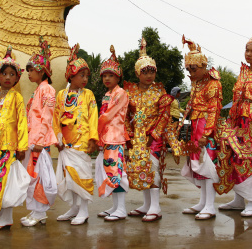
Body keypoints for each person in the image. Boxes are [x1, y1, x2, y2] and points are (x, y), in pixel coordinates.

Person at [214, 20, 252, 217]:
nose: (248, 54)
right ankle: (239, 199)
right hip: (238, 123)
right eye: (246, 50)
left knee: (251, 159)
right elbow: (235, 99)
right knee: (235, 158)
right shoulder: (243, 72)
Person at [124, 37, 182, 222]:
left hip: (153, 138)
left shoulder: (159, 92)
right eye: (145, 72)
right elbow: (125, 116)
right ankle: (147, 205)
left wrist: (154, 135)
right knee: (140, 169)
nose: (149, 75)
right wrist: (129, 136)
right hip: (137, 138)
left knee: (153, 169)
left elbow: (165, 116)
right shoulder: (130, 92)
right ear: (137, 73)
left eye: (152, 71)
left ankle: (156, 207)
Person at [0, 46, 29, 230]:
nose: (8, 77)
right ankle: (0, 215)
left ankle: (6, 217)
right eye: (5, 74)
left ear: (17, 78)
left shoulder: (17, 97)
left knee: (7, 182)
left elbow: (21, 122)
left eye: (12, 74)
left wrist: (22, 146)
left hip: (9, 148)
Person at [53, 43, 99, 225]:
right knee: (69, 177)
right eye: (82, 75)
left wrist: (93, 138)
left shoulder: (88, 94)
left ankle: (84, 211)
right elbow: (56, 118)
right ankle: (74, 208)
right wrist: (57, 139)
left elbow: (94, 117)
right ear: (71, 75)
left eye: (87, 75)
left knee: (82, 176)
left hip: (82, 142)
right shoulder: (61, 95)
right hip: (66, 143)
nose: (85, 78)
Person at [180, 36, 223, 220]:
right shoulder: (196, 83)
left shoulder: (214, 83)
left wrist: (207, 133)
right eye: (188, 68)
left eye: (194, 68)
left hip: (206, 127)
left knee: (208, 165)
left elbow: (214, 110)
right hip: (195, 126)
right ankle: (203, 201)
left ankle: (210, 206)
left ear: (204, 66)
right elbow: (191, 103)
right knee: (197, 165)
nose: (191, 72)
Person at [20, 37, 58, 227]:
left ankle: (40, 212)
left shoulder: (48, 90)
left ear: (42, 71)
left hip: (39, 142)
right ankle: (35, 210)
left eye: (32, 69)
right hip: (33, 140)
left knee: (40, 176)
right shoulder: (37, 91)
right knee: (33, 176)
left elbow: (47, 117)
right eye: (28, 70)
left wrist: (40, 140)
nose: (28, 73)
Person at [95, 45, 130, 221]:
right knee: (111, 172)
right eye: (105, 75)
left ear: (118, 77)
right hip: (107, 138)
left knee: (116, 173)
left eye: (111, 75)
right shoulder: (108, 94)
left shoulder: (121, 93)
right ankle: (116, 207)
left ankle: (122, 208)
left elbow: (107, 116)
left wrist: (97, 130)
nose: (107, 78)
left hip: (115, 138)